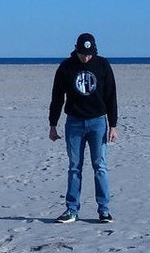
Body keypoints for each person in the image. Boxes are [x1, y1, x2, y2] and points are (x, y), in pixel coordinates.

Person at [49, 32, 118, 223]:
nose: (86, 58)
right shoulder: (66, 67)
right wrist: (53, 124)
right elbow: (57, 97)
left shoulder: (102, 65)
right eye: (82, 54)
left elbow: (111, 95)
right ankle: (71, 210)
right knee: (74, 167)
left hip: (98, 122)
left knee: (100, 166)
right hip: (74, 123)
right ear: (76, 50)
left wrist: (113, 125)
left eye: (89, 54)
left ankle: (104, 210)